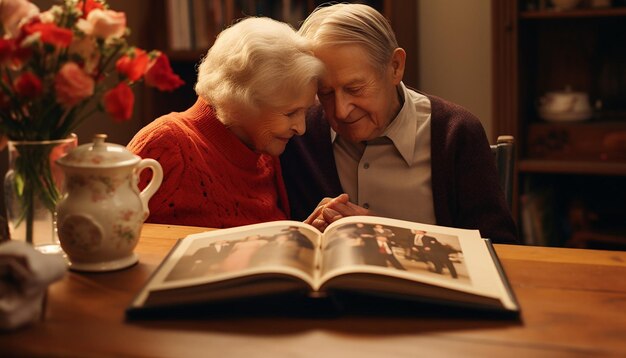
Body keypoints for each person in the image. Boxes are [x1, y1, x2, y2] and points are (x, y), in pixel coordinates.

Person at [280, 3, 518, 244]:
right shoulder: (299, 133)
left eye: (355, 88)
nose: (340, 111)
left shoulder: (456, 133)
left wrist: (390, 238)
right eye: (326, 93)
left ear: (395, 67)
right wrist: (302, 234)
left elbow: (500, 248)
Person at [128, 17, 324, 228]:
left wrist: (302, 233)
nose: (301, 128)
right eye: (290, 113)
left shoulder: (264, 151)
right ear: (242, 100)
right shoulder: (167, 144)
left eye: (304, 112)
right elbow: (106, 233)